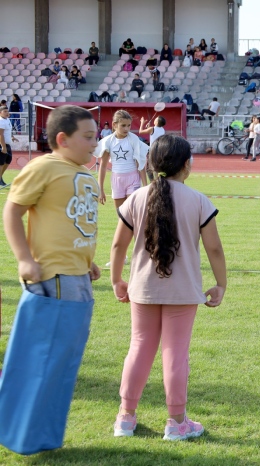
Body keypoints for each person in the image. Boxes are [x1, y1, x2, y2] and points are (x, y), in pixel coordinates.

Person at [110, 134, 226, 441]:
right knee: (176, 353)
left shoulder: (136, 197)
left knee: (139, 348)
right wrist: (221, 284)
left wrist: (116, 280)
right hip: (183, 291)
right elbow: (214, 249)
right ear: (187, 166)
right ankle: (176, 422)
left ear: (150, 163)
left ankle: (125, 417)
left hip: (142, 289)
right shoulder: (199, 200)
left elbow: (117, 244)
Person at [0, 105, 100, 454]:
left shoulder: (83, 172)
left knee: (62, 363)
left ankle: (41, 434)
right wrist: (24, 259)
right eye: (88, 136)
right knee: (44, 359)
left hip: (77, 276)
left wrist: (88, 261)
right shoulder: (44, 166)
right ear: (62, 138)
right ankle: (24, 434)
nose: (95, 142)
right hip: (54, 277)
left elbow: (74, 222)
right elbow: (12, 209)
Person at [0, 105, 19, 187]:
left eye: (7, 111)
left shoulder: (7, 120)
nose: (7, 113)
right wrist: (3, 147)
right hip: (2, 144)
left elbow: (7, 132)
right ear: (0, 113)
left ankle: (0, 178)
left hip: (8, 144)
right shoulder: (1, 121)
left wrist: (12, 137)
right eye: (5, 111)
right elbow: (0, 135)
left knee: (8, 160)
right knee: (1, 162)